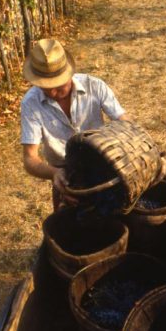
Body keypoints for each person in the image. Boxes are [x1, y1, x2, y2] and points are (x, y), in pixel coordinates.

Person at [21, 38, 129, 209]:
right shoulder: (30, 103)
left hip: (102, 164)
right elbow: (30, 159)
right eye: (45, 87)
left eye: (57, 86)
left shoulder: (95, 86)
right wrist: (56, 174)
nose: (53, 92)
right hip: (66, 175)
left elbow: (124, 122)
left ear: (69, 73)